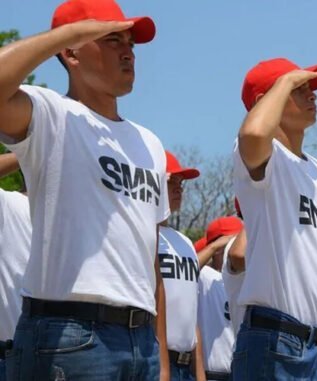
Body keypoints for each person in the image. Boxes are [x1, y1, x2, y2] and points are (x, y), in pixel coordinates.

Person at [0, 0, 171, 378]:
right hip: (69, 336)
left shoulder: (150, 143)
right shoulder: (51, 113)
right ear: (71, 52)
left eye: (131, 42)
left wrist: (160, 362)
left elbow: (151, 262)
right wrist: (72, 31)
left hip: (140, 341)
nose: (128, 51)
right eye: (112, 39)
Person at [231, 57, 317, 380]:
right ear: (265, 102)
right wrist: (282, 84)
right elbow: (253, 133)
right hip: (276, 340)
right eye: (300, 89)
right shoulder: (262, 155)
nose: (313, 95)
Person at [159, 151, 206, 381]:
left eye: (181, 183)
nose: (178, 188)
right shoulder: (143, 236)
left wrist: (200, 375)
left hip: (186, 366)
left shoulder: (186, 243)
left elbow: (191, 315)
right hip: (156, 361)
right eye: (170, 182)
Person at [196, 216, 243, 381]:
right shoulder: (205, 278)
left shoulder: (248, 278)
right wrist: (214, 247)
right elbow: (184, 271)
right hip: (213, 374)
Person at [0, 153, 30, 381]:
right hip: (9, 359)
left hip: (69, 359)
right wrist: (30, 148)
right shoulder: (8, 205)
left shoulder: (77, 218)